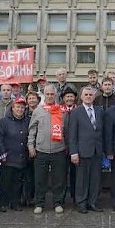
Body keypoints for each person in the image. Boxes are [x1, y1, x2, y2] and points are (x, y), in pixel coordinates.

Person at [28, 84, 69, 214]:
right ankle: (39, 203)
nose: (50, 96)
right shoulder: (38, 111)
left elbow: (67, 130)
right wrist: (31, 145)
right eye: (48, 94)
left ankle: (58, 202)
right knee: (40, 179)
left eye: (52, 94)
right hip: (41, 150)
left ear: (55, 95)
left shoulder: (62, 110)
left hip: (59, 150)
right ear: (44, 94)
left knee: (59, 179)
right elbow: (32, 130)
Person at [69, 86, 105, 213]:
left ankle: (92, 202)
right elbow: (72, 135)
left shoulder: (99, 111)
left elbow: (102, 131)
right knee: (82, 179)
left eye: (91, 94)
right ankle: (81, 203)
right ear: (82, 97)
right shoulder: (75, 112)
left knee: (95, 179)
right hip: (82, 151)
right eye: (86, 94)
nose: (89, 96)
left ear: (94, 97)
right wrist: (73, 152)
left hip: (97, 150)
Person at [0, 97, 30, 212]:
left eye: (22, 107)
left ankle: (15, 203)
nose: (20, 109)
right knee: (5, 182)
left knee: (18, 182)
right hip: (8, 157)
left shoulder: (27, 121)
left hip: (21, 157)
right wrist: (2, 153)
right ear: (13, 108)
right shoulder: (4, 121)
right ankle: (3, 203)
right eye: (17, 107)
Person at [60, 86, 78, 203]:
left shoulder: (79, 110)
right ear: (63, 98)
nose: (69, 99)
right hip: (62, 147)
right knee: (61, 174)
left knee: (75, 174)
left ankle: (76, 197)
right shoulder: (58, 110)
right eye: (67, 96)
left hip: (76, 147)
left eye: (71, 96)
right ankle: (60, 198)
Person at [22, 91, 40, 207]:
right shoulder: (23, 112)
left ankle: (33, 197)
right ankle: (25, 196)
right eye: (30, 98)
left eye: (34, 98)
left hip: (38, 146)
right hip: (24, 145)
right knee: (26, 174)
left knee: (35, 174)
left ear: (38, 100)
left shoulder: (41, 111)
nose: (32, 100)